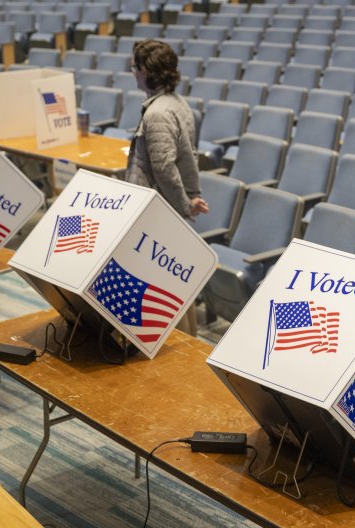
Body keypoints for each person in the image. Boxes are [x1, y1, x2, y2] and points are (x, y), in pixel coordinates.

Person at [126, 39, 209, 336]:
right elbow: (187, 156)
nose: (133, 73)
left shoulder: (158, 113)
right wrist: (192, 195)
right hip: (168, 210)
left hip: (157, 213)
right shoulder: (177, 104)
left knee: (160, 285)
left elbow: (164, 167)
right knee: (171, 286)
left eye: (135, 67)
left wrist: (186, 203)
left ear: (148, 71)